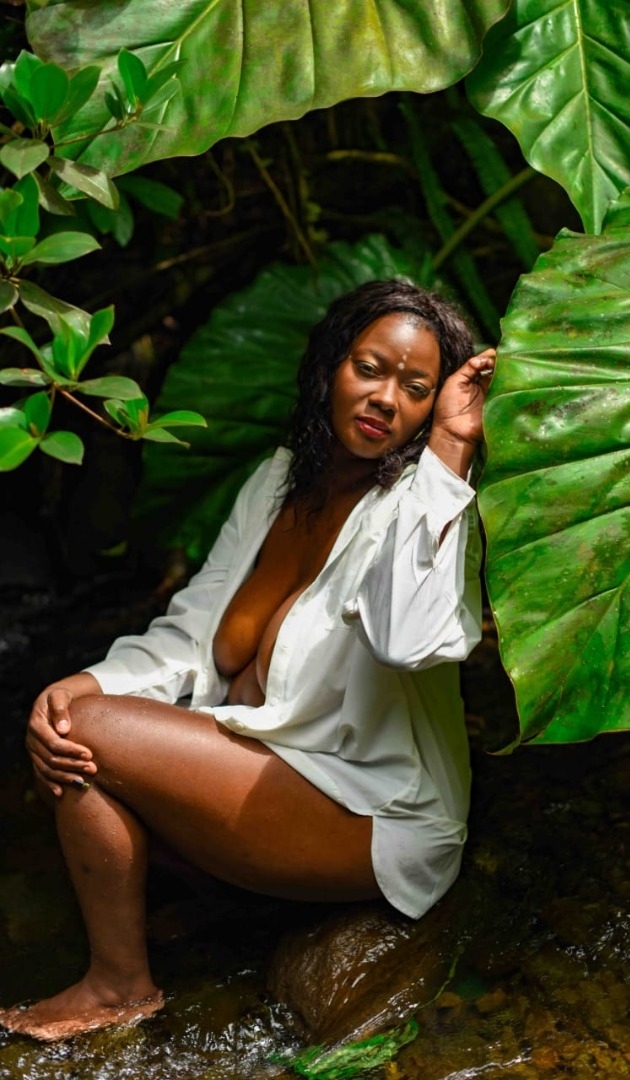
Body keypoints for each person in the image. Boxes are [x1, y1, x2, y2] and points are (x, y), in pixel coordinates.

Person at [0, 279, 496, 1042]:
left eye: (416, 388)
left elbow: (408, 639)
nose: (385, 398)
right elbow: (195, 632)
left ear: (435, 407)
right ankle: (217, 911)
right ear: (331, 366)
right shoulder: (278, 480)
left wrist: (452, 449)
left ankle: (119, 987)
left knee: (88, 733)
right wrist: (83, 682)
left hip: (374, 812)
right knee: (64, 726)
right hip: (261, 762)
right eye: (369, 369)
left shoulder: (422, 511)